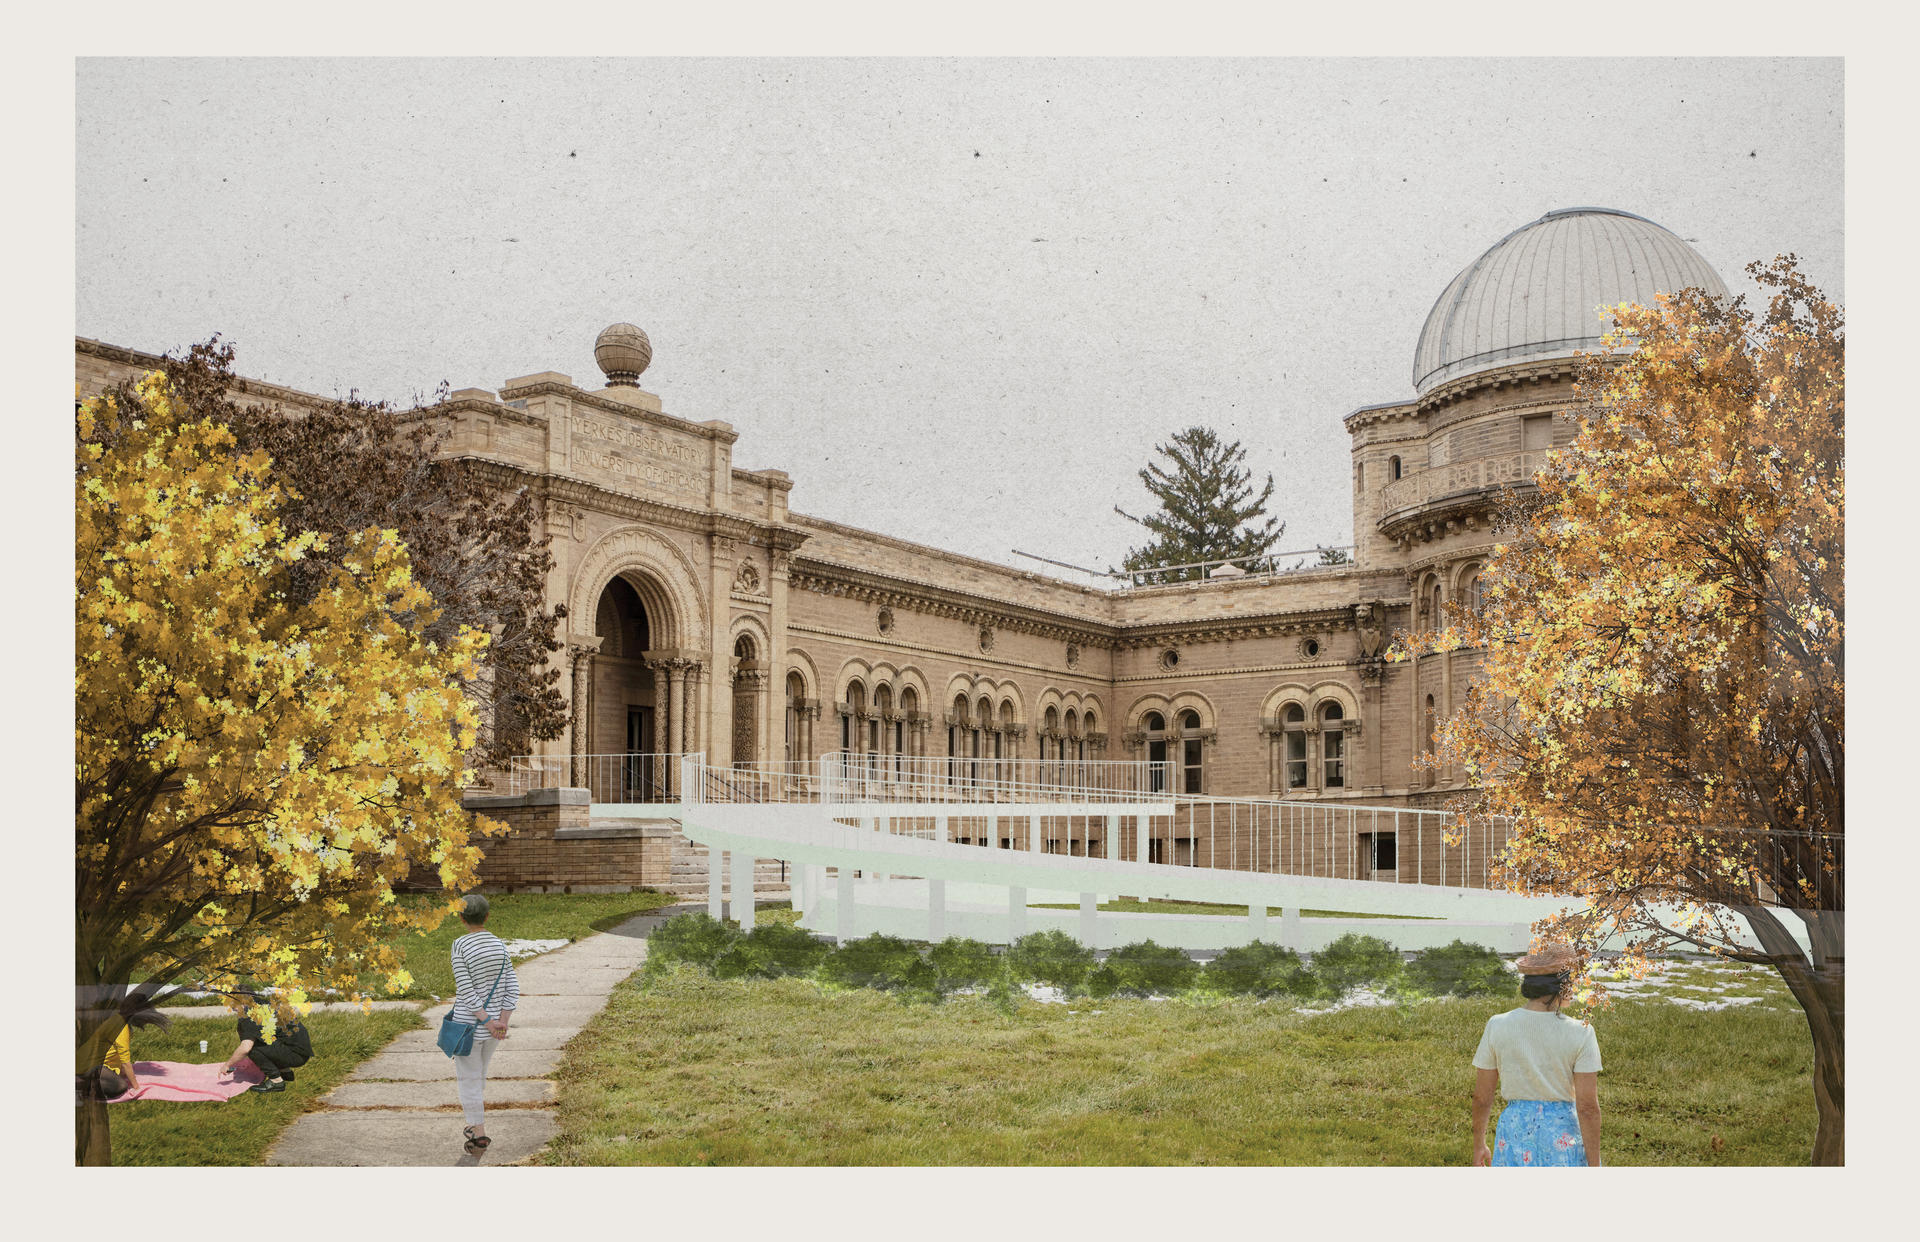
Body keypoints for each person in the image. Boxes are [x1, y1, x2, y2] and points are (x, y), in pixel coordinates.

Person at [1471, 942, 1602, 1167]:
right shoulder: (1581, 1032)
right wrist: (1594, 1164)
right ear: (1563, 985)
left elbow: (1482, 1098)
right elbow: (1587, 1107)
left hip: (1514, 1132)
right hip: (1562, 1137)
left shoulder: (1497, 1025)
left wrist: (1479, 1145)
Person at [449, 893, 520, 1156]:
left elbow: (466, 992)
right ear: (487, 916)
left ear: (461, 918)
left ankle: (479, 1134)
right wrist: (501, 1021)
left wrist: (487, 1022)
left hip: (469, 1027)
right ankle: (475, 1124)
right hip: (493, 1032)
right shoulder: (500, 946)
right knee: (478, 1076)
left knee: (469, 1078)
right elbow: (512, 986)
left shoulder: (460, 946)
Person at [219, 991, 314, 1094]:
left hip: (296, 1055)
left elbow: (245, 1048)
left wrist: (227, 1065)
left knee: (254, 1048)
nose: (231, 1007)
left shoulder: (249, 1016)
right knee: (265, 1038)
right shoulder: (262, 1004)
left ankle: (276, 1081)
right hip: (301, 1051)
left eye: (232, 1003)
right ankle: (285, 1072)